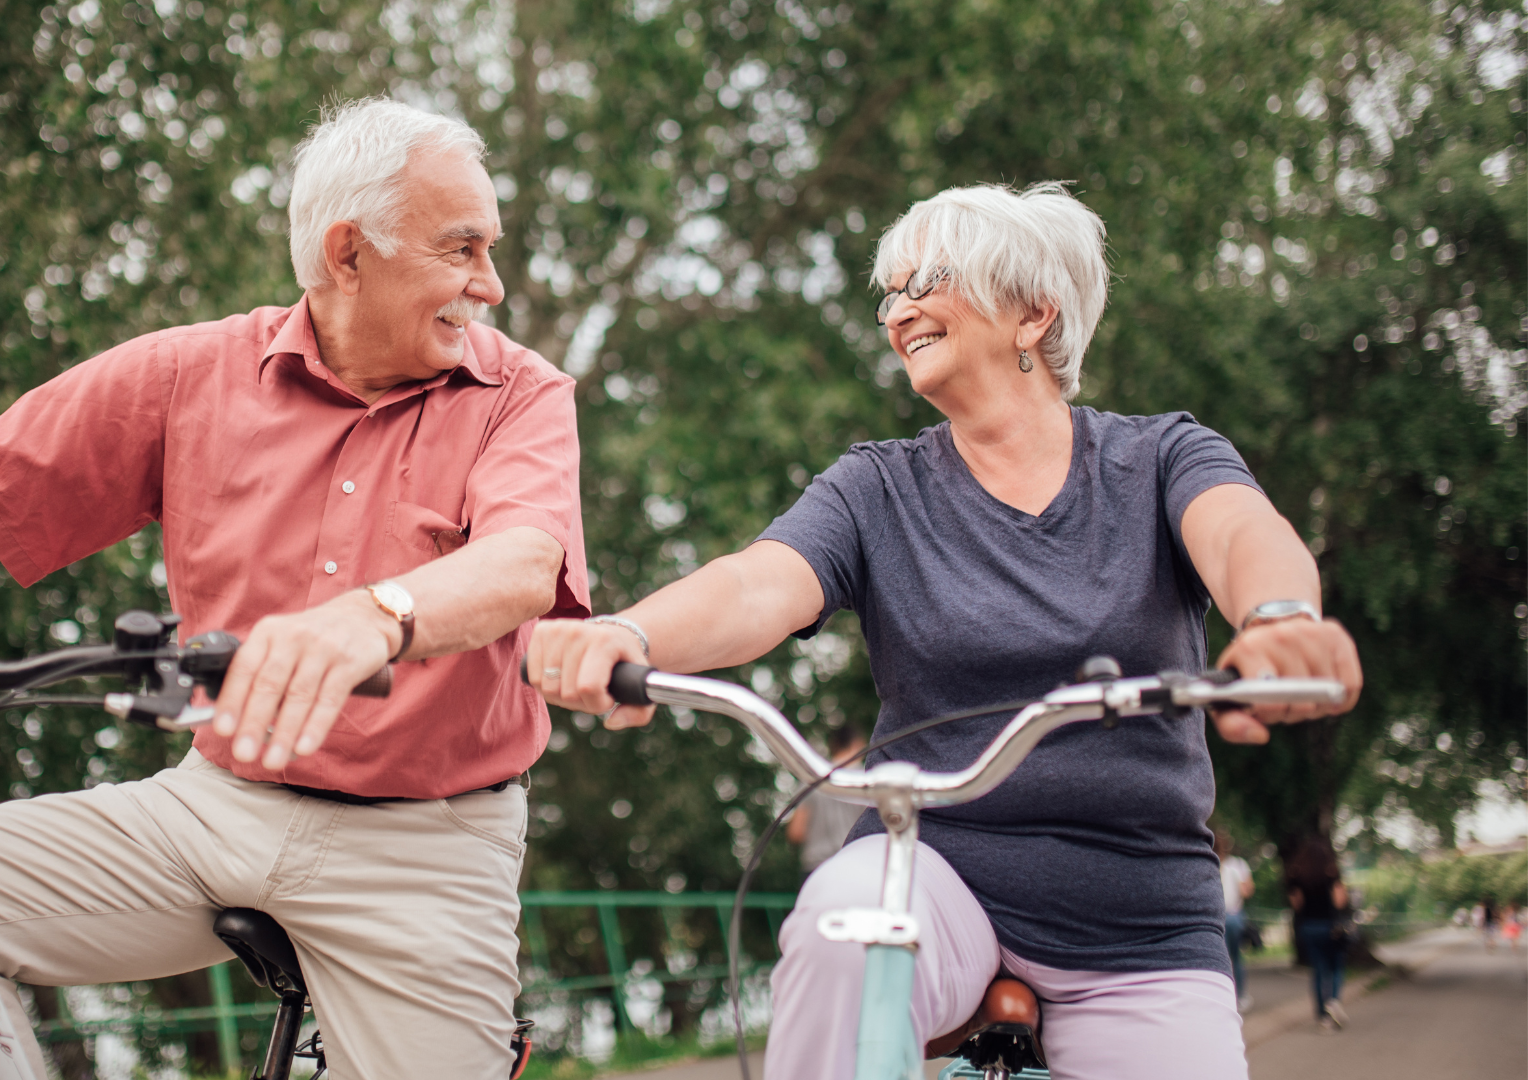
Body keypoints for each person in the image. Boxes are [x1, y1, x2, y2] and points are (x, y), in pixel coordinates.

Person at [0, 98, 589, 1079]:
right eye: (463, 249)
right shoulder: (191, 374)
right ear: (348, 254)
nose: (492, 284)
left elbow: (522, 563)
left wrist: (378, 615)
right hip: (219, 804)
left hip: (425, 842)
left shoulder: (519, 392)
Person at [527, 182, 1363, 1079]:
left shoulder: (1159, 458)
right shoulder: (877, 488)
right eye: (890, 291)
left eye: (928, 279)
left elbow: (1243, 534)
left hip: (1138, 910)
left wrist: (1279, 619)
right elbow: (754, 585)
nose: (900, 309)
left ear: (1033, 315)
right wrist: (628, 632)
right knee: (843, 929)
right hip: (934, 869)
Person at [786, 725, 869, 875]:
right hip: (854, 866)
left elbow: (796, 832)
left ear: (833, 745)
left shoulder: (812, 777)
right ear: (857, 744)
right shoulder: (867, 779)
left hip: (815, 870)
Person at [1285, 845, 1351, 1032]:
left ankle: (1323, 1016)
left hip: (1309, 927)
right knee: (1336, 967)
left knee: (1319, 971)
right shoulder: (1331, 874)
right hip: (1331, 927)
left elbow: (1297, 904)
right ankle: (1334, 1002)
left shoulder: (1297, 876)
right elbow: (1340, 901)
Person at [1216, 830, 1256, 1013]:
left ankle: (1225, 997)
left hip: (1218, 917)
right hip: (1233, 916)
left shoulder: (1212, 863)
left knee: (1222, 958)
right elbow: (1247, 890)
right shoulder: (1238, 865)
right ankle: (1239, 996)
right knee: (1236, 958)